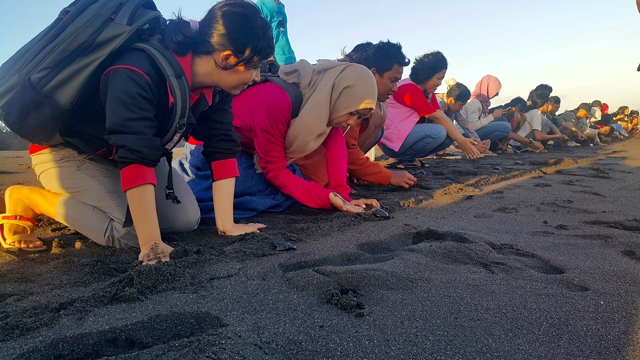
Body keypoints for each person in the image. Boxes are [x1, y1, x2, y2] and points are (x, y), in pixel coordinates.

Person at [1, 0, 272, 264]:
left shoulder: (217, 89)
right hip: (69, 152)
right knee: (131, 234)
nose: (258, 77)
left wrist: (228, 225)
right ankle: (29, 199)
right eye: (254, 66)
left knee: (185, 220)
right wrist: (151, 244)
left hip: (123, 156)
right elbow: (136, 154)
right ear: (227, 57)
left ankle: (106, 201)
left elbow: (222, 146)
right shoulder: (138, 68)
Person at [229, 60, 380, 216]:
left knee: (294, 186)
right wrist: (326, 197)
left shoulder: (325, 106)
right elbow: (273, 168)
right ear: (339, 95)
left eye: (359, 117)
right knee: (267, 190)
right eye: (352, 112)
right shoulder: (277, 99)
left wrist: (343, 197)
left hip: (254, 154)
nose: (351, 122)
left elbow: (337, 151)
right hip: (217, 152)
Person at [294, 41, 417, 189]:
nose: (396, 88)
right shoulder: (352, 96)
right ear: (372, 73)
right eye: (392, 80)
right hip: (301, 167)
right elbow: (346, 149)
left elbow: (342, 145)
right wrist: (388, 176)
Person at [380, 51, 480, 168]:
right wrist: (461, 141)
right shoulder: (408, 88)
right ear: (427, 74)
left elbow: (441, 115)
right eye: (438, 78)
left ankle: (409, 159)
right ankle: (404, 159)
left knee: (448, 137)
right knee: (439, 132)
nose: (440, 83)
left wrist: (462, 139)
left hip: (404, 137)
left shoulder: (428, 93)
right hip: (390, 141)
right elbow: (436, 116)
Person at [459, 75, 512, 150]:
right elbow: (473, 126)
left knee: (502, 119)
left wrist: (495, 116)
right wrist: (493, 116)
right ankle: (484, 146)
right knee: (506, 126)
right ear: (488, 88)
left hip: (473, 131)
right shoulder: (474, 103)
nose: (497, 95)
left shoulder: (482, 102)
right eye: (495, 91)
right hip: (466, 134)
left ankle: (492, 146)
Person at [255, 0, 296, 65]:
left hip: (289, 56)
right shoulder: (260, 4)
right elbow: (259, 33)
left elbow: (281, 31)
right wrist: (269, 58)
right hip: (275, 58)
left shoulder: (281, 5)